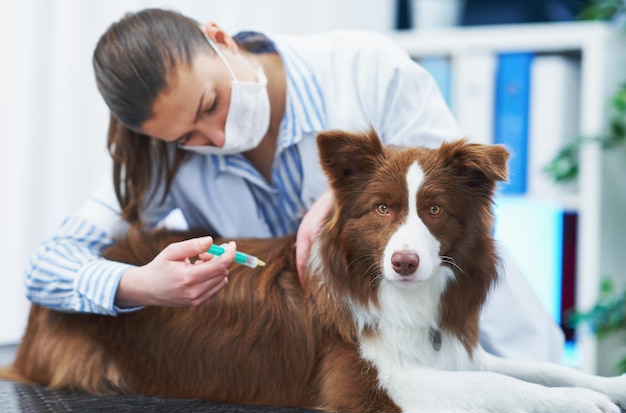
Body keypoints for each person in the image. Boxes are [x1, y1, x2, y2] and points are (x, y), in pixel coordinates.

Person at [25, 8, 564, 362]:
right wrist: (138, 286)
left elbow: (450, 195)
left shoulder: (364, 68)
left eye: (210, 105)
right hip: (367, 364)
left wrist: (346, 197)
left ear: (220, 40)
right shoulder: (162, 161)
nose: (215, 135)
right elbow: (48, 264)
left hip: (484, 336)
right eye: (190, 136)